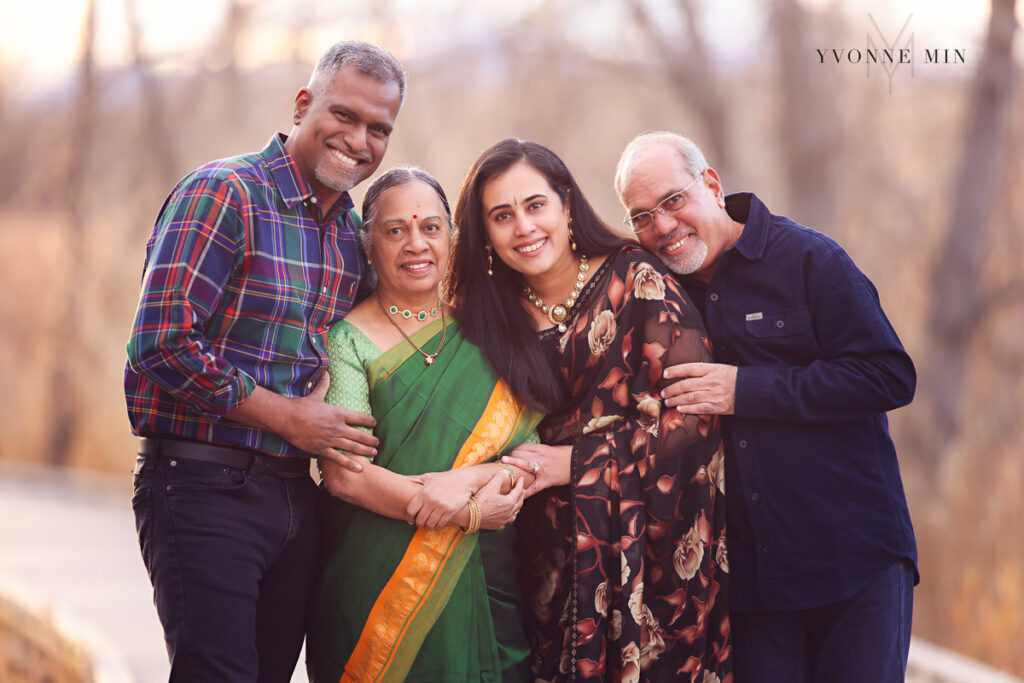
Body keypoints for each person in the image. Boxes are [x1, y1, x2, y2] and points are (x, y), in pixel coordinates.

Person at [124, 41, 405, 682]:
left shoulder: (348, 236)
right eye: (346, 116)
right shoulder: (226, 192)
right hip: (200, 486)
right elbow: (160, 342)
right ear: (304, 104)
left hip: (292, 497)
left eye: (379, 129)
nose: (359, 140)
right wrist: (287, 419)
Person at [614, 131, 917, 683]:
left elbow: (888, 375)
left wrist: (744, 391)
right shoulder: (658, 298)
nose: (661, 226)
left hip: (854, 564)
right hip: (752, 587)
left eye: (673, 201)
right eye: (641, 216)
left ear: (711, 184)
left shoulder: (808, 259)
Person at [450, 139, 731, 682]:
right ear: (483, 233)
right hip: (539, 561)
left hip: (655, 562)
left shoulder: (638, 281)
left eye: (535, 206)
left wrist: (574, 464)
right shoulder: (486, 316)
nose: (524, 228)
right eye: (501, 216)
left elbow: (692, 424)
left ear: (566, 205)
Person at [306, 167, 544, 682]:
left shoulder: (492, 325)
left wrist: (461, 487)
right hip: (375, 575)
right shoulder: (346, 339)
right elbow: (346, 472)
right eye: (396, 230)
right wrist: (464, 512)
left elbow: (531, 454)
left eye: (431, 228)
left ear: (452, 240)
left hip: (485, 569)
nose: (416, 244)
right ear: (368, 244)